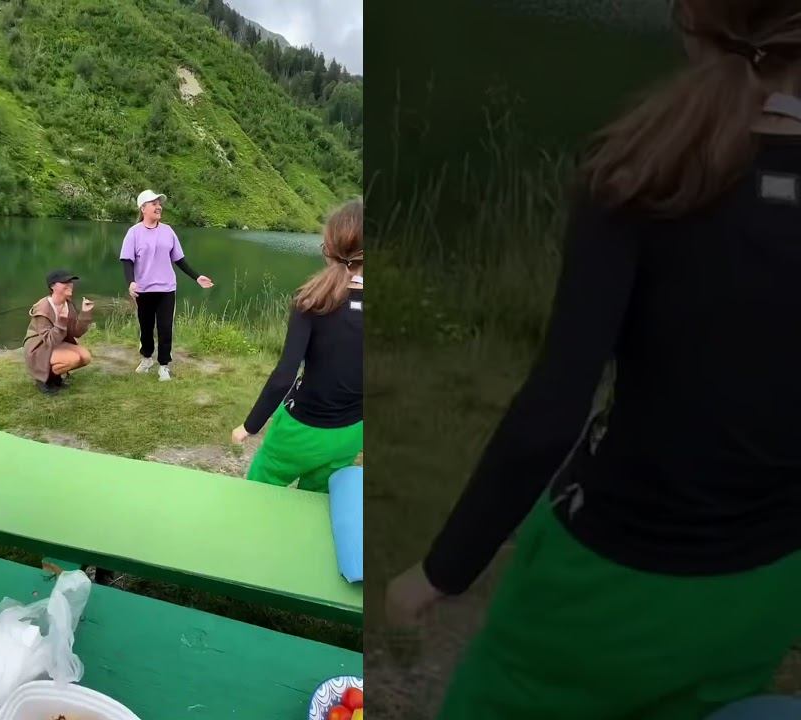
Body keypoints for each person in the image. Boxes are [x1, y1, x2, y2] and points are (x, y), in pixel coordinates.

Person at [386, 3, 801, 718]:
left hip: (608, 575)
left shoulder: (642, 171)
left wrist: (441, 571)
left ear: (690, 23)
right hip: (768, 578)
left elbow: (553, 411)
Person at [230, 201, 363, 492]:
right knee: (314, 503)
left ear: (328, 248)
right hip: (352, 431)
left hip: (299, 431)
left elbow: (284, 376)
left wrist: (250, 426)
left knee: (259, 493)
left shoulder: (312, 301)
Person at [119, 189, 214, 382]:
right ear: (143, 208)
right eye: (153, 204)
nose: (158, 207)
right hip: (143, 290)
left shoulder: (168, 231)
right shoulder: (134, 233)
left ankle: (163, 366)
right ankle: (146, 359)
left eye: (159, 203)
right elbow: (127, 260)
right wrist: (131, 282)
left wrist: (196, 277)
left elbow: (179, 260)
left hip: (166, 289)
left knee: (165, 328)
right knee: (146, 328)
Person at [23, 269, 93, 395]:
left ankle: (55, 377)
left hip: (57, 343)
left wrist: (85, 313)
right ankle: (44, 379)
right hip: (39, 347)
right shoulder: (42, 308)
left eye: (70, 281)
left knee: (85, 357)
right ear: (52, 286)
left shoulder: (68, 304)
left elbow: (76, 332)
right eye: (65, 282)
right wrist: (61, 320)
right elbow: (49, 341)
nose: (70, 284)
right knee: (73, 359)